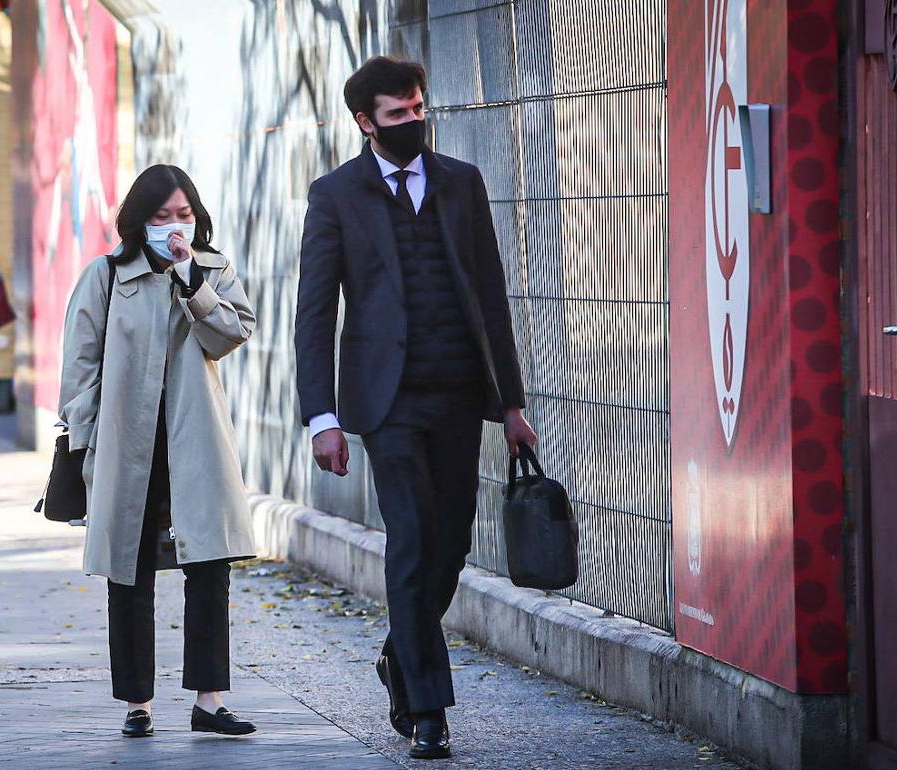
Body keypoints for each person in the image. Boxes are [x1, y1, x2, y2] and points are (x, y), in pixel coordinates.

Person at [294, 56, 538, 760]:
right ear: (365, 122)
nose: (413, 122)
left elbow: (491, 297)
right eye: (397, 115)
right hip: (388, 402)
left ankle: (402, 652)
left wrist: (512, 403)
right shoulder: (335, 195)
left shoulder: (462, 183)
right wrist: (323, 416)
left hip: (461, 394)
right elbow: (314, 314)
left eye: (418, 108)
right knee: (409, 540)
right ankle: (428, 710)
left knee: (451, 544)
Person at [58, 165, 259, 739]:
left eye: (184, 216)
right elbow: (79, 367)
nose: (174, 227)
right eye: (161, 217)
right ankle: (138, 703)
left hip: (195, 439)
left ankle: (210, 698)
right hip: (128, 441)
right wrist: (84, 440)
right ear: (137, 222)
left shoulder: (214, 270)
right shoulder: (106, 276)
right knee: (129, 569)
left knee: (209, 566)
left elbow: (232, 335)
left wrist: (192, 280)